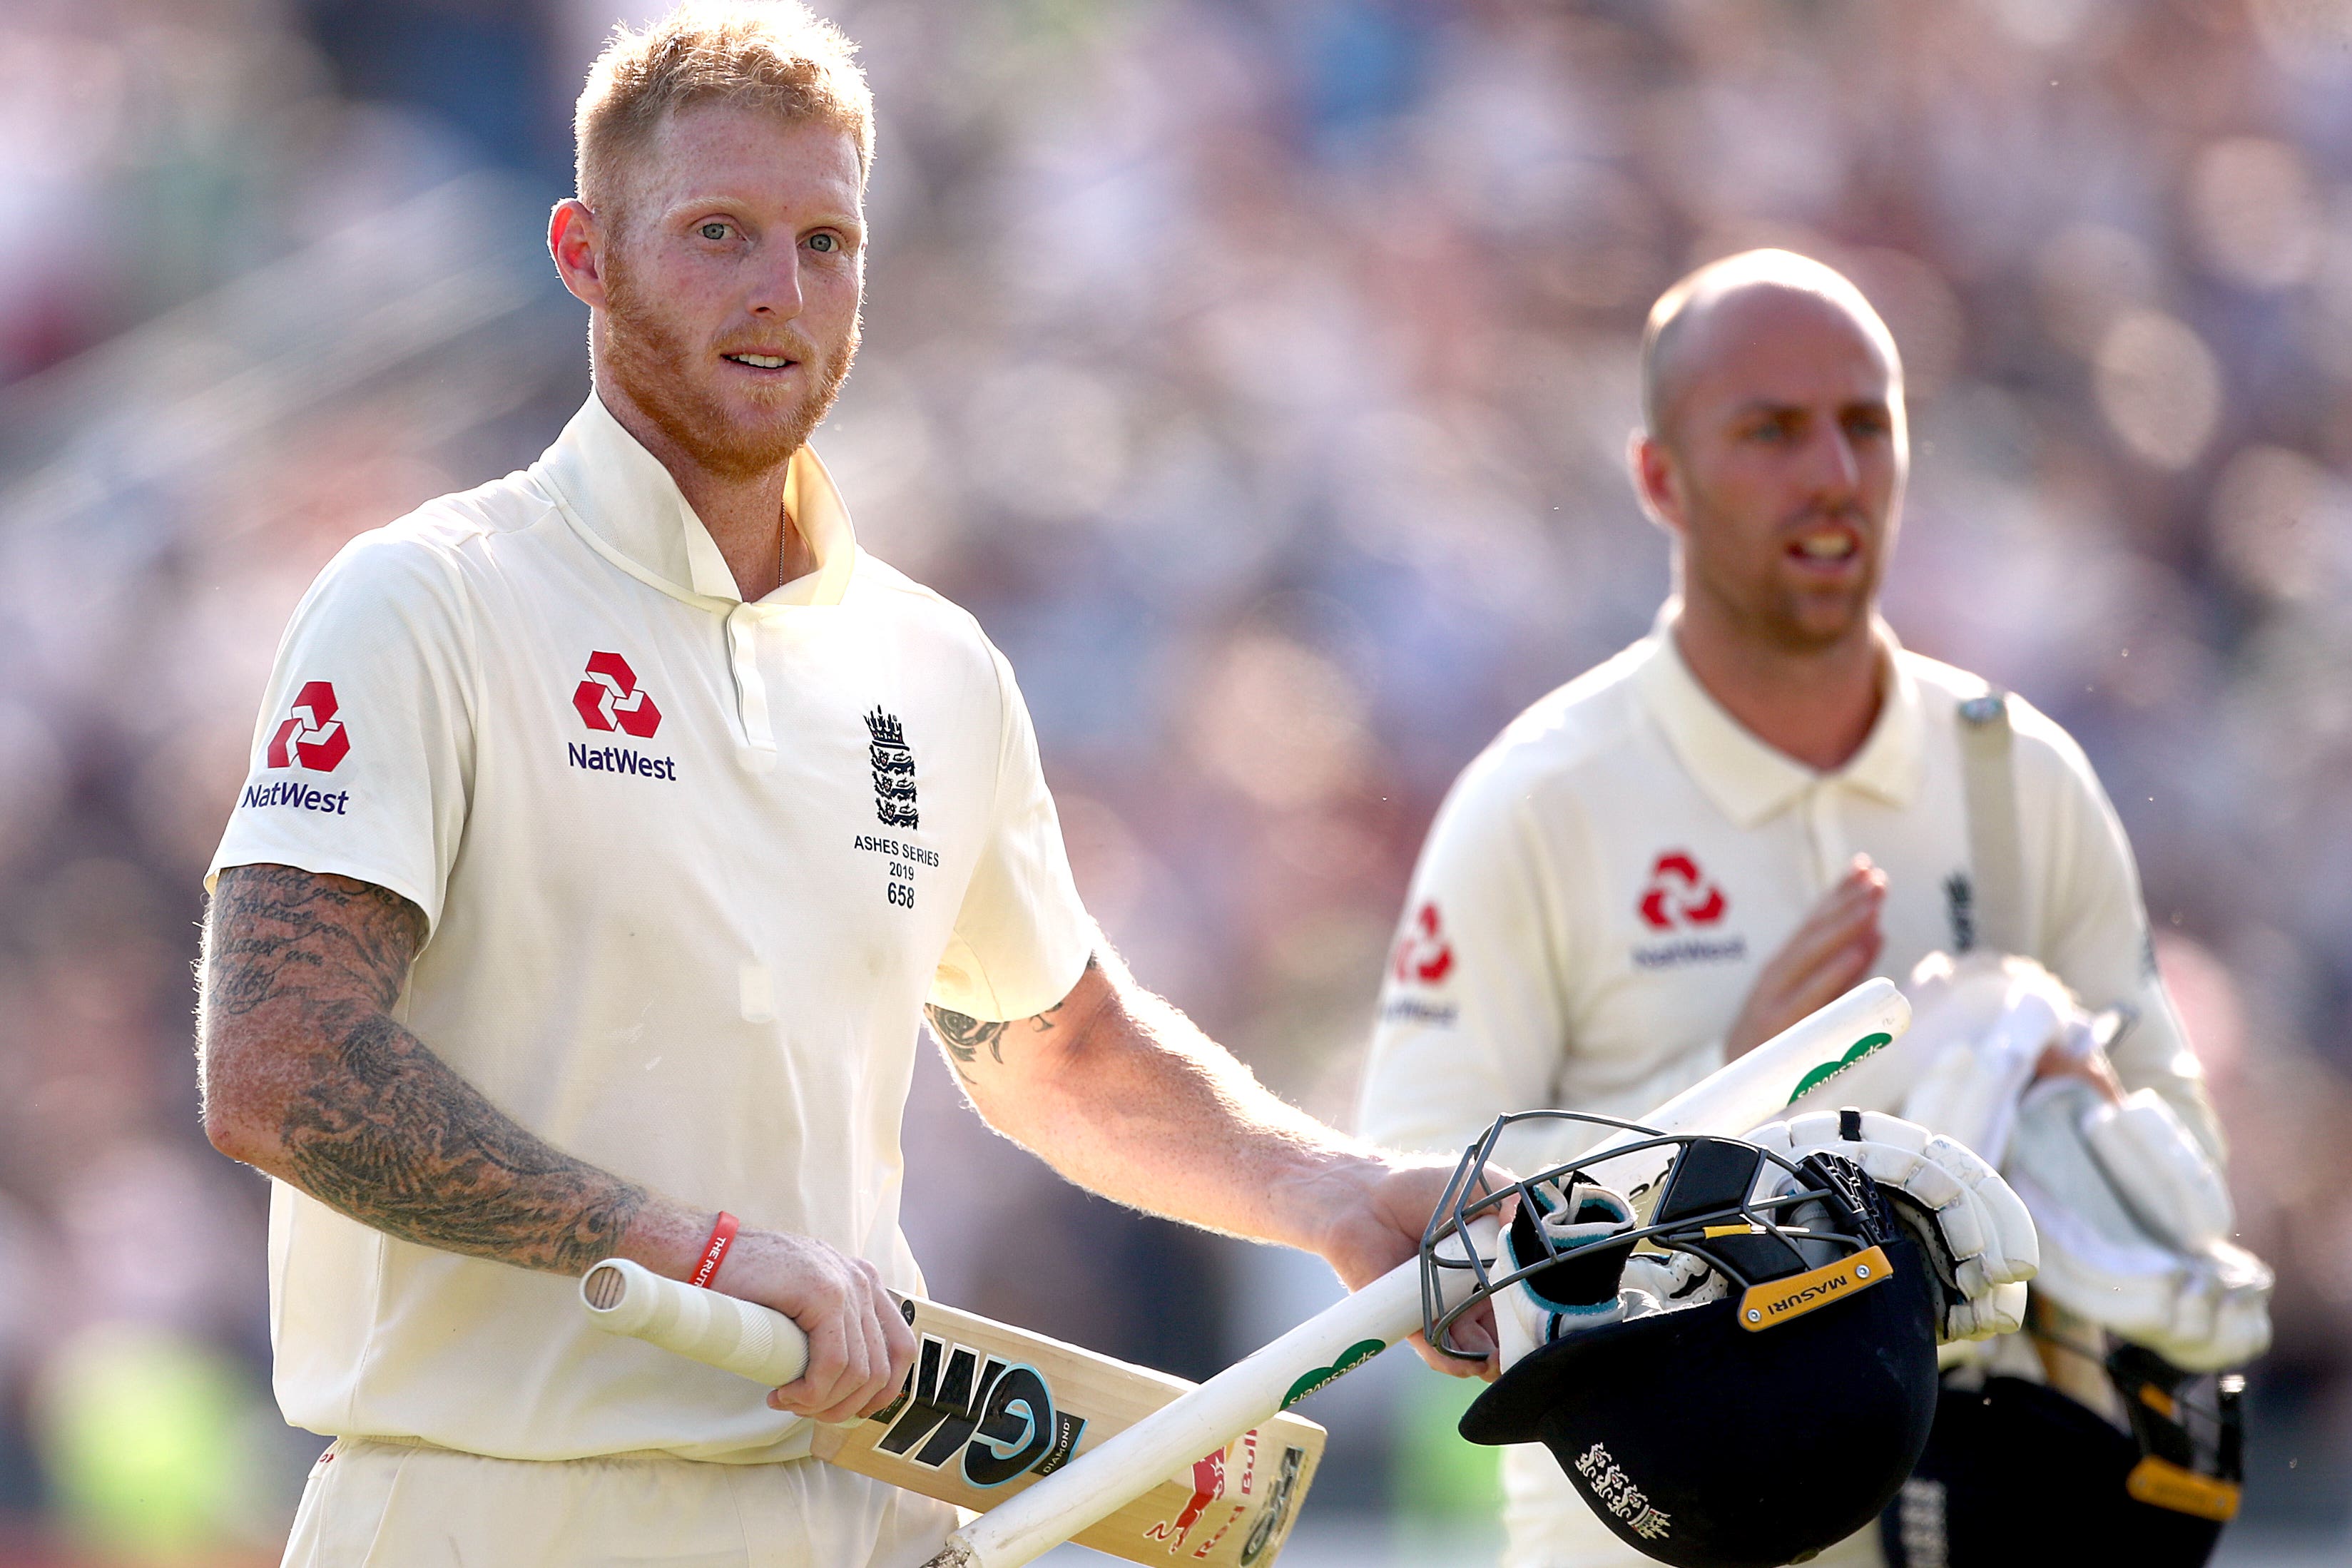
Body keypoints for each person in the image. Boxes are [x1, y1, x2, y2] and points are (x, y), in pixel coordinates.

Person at [194, 8, 1469, 1565]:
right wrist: (697, 1256)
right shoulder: (425, 600)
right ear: (582, 251)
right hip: (491, 1510)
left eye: (824, 242)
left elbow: (1055, 1048)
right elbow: (275, 1062)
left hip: (857, 1517)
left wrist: (1325, 1190)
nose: (775, 294)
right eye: (715, 233)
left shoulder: (929, 666)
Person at [1356, 250, 2229, 1568]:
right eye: (1769, 430)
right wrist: (1728, 1099)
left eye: (1865, 424)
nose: (1831, 472)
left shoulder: (2019, 775)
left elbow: (2193, 1191)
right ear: (1659, 477)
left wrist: (2067, 1109)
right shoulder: (1537, 799)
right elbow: (1420, 1244)